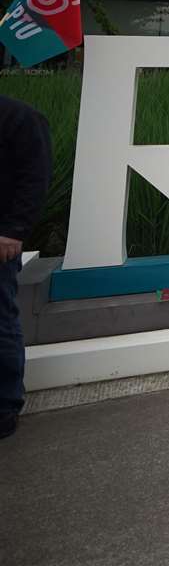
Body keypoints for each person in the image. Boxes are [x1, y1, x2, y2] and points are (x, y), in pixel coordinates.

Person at [1, 95, 50, 440]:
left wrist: (13, 231)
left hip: (0, 238)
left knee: (1, 319)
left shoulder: (20, 116)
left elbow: (35, 178)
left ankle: (4, 405)